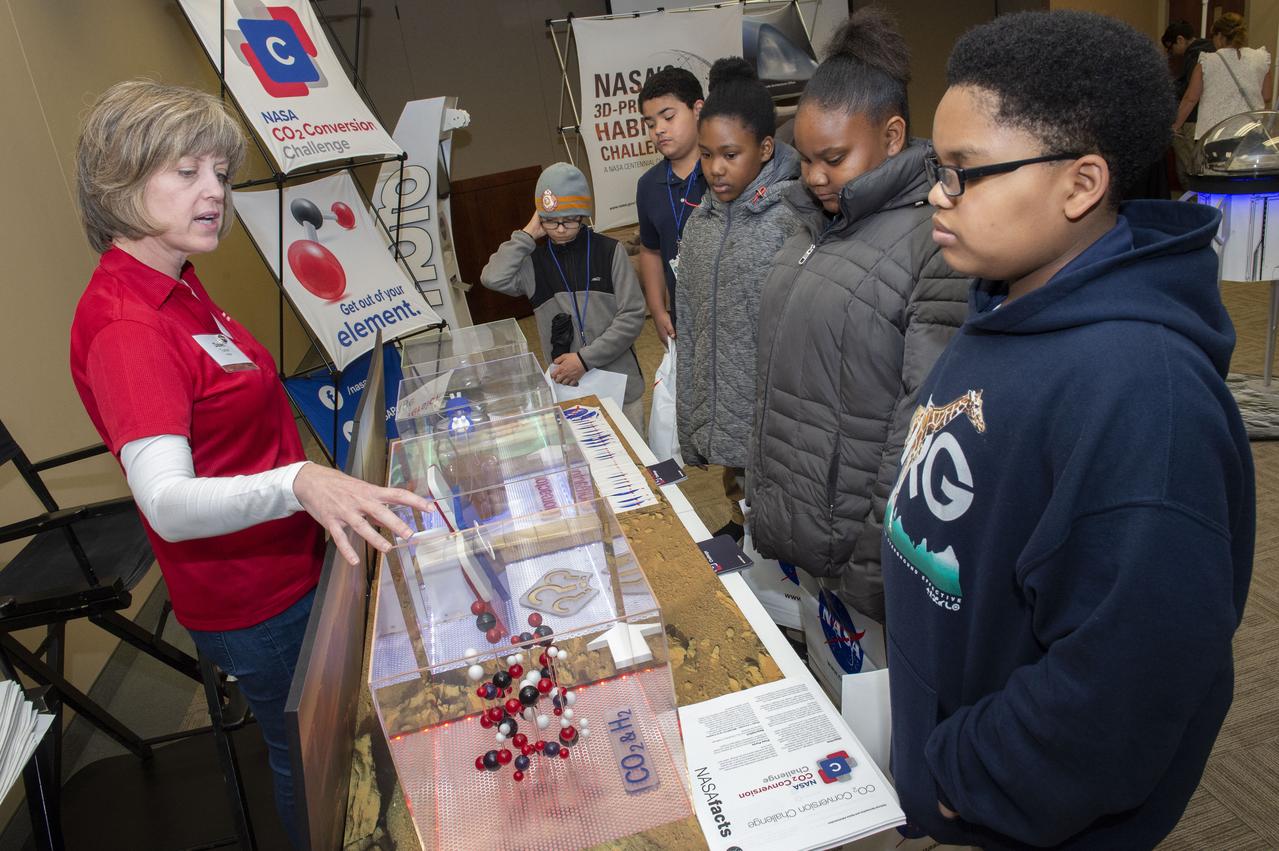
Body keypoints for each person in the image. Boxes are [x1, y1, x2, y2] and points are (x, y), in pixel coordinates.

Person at [885, 11, 1254, 847]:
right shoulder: (1006, 299)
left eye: (964, 174)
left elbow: (1127, 683)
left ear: (1080, 184)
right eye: (936, 170)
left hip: (1016, 809)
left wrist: (962, 778)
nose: (935, 197)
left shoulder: (1144, 400)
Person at [70, 80, 430, 848]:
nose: (214, 193)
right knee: (315, 761)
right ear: (119, 181)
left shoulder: (178, 283)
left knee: (336, 741)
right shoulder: (128, 325)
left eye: (221, 174)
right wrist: (300, 480)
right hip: (253, 595)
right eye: (186, 172)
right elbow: (166, 498)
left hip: (293, 559)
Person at [748, 8, 969, 626]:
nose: (814, 176)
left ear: (893, 136)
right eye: (805, 159)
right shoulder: (812, 226)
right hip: (802, 538)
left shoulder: (938, 242)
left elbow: (921, 428)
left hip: (861, 557)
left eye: (834, 158)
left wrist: (874, 570)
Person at [677, 57, 801, 541]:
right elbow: (690, 323)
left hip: (775, 414)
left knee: (781, 519)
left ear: (766, 149)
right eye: (706, 155)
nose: (715, 168)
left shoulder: (791, 217)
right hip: (721, 401)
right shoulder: (700, 224)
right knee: (740, 491)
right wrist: (692, 412)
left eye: (730, 154)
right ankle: (738, 522)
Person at [479, 163, 646, 429]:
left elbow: (632, 316)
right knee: (587, 464)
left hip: (621, 385)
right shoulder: (534, 262)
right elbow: (492, 277)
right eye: (550, 221)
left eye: (568, 220)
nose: (559, 229)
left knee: (636, 459)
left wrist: (584, 359)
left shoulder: (610, 251)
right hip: (571, 388)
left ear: (583, 215)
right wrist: (526, 235)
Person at [636, 68, 706, 343]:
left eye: (668, 117)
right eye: (650, 124)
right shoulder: (648, 186)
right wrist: (656, 308)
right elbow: (650, 251)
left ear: (697, 109)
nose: (659, 130)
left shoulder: (723, 175)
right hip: (682, 318)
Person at [1173, 12, 1272, 144]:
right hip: (1249, 135)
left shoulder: (1207, 61)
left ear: (1219, 36)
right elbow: (1266, 96)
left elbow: (1190, 99)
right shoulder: (1261, 58)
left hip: (1215, 136)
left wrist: (1174, 126)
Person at [1162, 20, 1214, 185]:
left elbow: (1191, 95)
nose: (1171, 53)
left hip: (1190, 120)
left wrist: (1175, 126)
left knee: (1188, 169)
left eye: (1171, 47)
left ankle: (1192, 206)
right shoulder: (1212, 51)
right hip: (1206, 119)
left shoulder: (1196, 55)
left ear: (1180, 39)